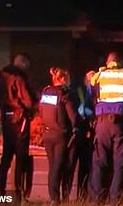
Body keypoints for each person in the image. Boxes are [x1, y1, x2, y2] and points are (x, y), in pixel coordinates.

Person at [88, 51, 123, 205]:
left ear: (107, 62)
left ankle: (96, 199)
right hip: (121, 123)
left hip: (102, 123)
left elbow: (89, 95)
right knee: (120, 161)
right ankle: (115, 199)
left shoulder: (97, 76)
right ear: (120, 63)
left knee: (99, 161)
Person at [0, 52, 36, 201]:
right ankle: (18, 195)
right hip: (20, 120)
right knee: (20, 157)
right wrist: (30, 110)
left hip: (6, 118)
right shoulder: (19, 79)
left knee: (6, 156)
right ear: (23, 63)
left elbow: (0, 99)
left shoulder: (0, 79)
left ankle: (0, 192)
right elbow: (28, 101)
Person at [40, 67, 79, 205]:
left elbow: (41, 112)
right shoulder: (64, 94)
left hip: (47, 134)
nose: (68, 81)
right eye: (67, 79)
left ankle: (53, 196)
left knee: (52, 166)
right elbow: (73, 117)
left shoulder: (45, 93)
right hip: (61, 135)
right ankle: (58, 199)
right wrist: (76, 127)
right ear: (62, 79)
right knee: (60, 166)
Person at [65, 71, 96, 201]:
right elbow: (83, 110)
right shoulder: (80, 91)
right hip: (80, 131)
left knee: (81, 165)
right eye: (90, 79)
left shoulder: (86, 91)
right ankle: (71, 195)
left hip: (84, 132)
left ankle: (78, 196)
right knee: (74, 164)